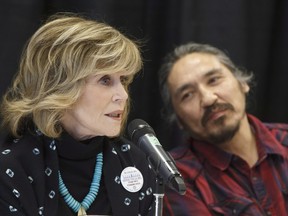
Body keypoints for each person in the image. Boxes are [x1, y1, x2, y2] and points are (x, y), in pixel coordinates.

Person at [0, 13, 156, 216]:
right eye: (105, 80)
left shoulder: (135, 162)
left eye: (124, 80)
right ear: (61, 86)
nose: (123, 95)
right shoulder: (12, 169)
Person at [158, 42, 288, 215]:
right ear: (178, 119)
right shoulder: (176, 178)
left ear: (243, 83)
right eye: (187, 95)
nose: (208, 99)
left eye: (213, 80)